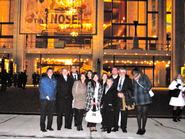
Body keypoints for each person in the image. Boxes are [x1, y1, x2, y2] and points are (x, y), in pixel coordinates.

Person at [132, 68, 152, 135]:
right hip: (137, 98)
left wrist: (138, 81)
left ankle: (143, 128)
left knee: (144, 114)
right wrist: (133, 98)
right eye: (133, 73)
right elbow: (133, 89)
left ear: (138, 72)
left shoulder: (144, 77)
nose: (134, 74)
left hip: (145, 97)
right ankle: (139, 128)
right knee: (138, 114)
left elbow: (149, 85)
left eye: (135, 73)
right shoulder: (133, 79)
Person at [39, 67, 57, 132]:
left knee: (50, 114)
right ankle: (42, 127)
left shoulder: (54, 80)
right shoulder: (43, 79)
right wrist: (46, 96)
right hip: (44, 99)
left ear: (52, 73)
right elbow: (41, 89)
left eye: (51, 72)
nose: (50, 73)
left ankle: (49, 126)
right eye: (49, 71)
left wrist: (53, 96)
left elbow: (55, 89)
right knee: (43, 113)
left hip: (52, 99)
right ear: (47, 72)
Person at [116, 67, 133, 133]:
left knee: (124, 114)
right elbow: (113, 88)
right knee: (116, 113)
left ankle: (124, 127)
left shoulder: (128, 80)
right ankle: (116, 126)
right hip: (116, 99)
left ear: (125, 73)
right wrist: (117, 93)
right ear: (118, 73)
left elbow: (131, 90)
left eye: (123, 72)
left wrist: (123, 94)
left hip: (124, 99)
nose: (121, 73)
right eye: (120, 72)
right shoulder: (116, 79)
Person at [110, 67, 120, 131]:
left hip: (117, 99)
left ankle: (116, 126)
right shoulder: (109, 78)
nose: (114, 71)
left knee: (116, 113)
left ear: (117, 71)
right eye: (113, 70)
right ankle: (111, 125)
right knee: (110, 113)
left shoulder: (120, 79)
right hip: (110, 98)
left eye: (115, 70)